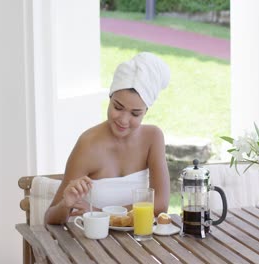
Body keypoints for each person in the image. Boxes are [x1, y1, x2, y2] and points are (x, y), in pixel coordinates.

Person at [45, 52, 171, 225]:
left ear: (146, 112)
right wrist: (66, 205)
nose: (124, 120)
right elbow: (50, 218)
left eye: (135, 113)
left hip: (140, 243)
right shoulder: (88, 144)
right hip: (92, 245)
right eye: (118, 107)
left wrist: (103, 213)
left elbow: (161, 205)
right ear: (110, 98)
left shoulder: (153, 138)